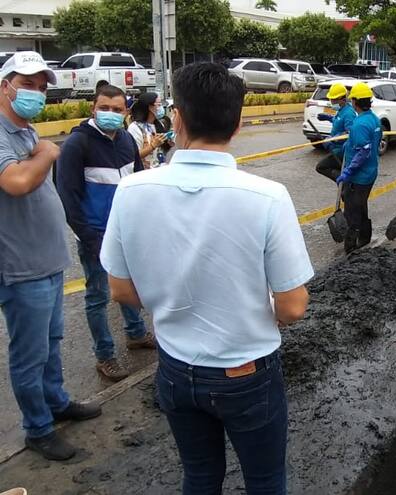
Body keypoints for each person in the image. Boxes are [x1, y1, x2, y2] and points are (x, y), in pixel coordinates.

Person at [101, 62, 313, 493]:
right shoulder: (267, 197)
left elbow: (121, 289)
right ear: (236, 124)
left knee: (199, 475)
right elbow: (292, 306)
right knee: (266, 479)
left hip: (176, 371)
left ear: (176, 118)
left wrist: (170, 297)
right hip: (246, 371)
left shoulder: (132, 191)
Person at [0, 51, 101, 461]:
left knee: (51, 342)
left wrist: (39, 148)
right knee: (30, 353)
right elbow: (18, 182)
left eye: (42, 87)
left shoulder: (25, 131)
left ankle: (56, 402)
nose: (37, 93)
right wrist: (47, 153)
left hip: (47, 260)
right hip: (21, 266)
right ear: (5, 85)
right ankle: (38, 429)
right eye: (27, 85)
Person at [55, 84, 155, 382]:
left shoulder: (124, 139)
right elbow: (68, 199)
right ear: (93, 109)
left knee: (129, 286)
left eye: (117, 109)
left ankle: (136, 333)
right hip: (95, 236)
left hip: (124, 232)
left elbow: (137, 183)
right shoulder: (76, 145)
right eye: (104, 108)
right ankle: (105, 355)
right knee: (98, 296)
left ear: (125, 112)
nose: (110, 114)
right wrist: (91, 239)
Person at [336, 82, 382, 253]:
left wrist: (348, 171)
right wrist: (348, 145)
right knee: (361, 205)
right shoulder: (373, 119)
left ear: (355, 101)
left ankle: (351, 247)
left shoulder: (360, 124)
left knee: (352, 210)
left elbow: (363, 152)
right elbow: (372, 144)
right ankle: (365, 238)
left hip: (359, 176)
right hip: (370, 172)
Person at [315, 83, 356, 182]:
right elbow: (338, 122)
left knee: (321, 167)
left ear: (342, 99)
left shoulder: (349, 113)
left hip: (342, 152)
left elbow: (350, 133)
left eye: (334, 100)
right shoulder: (341, 110)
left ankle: (344, 182)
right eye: (331, 99)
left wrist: (333, 140)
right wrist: (329, 118)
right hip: (336, 149)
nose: (332, 102)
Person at [127, 92, 167, 169]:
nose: (161, 108)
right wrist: (152, 146)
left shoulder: (159, 125)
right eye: (158, 105)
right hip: (142, 173)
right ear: (149, 107)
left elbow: (161, 151)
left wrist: (168, 143)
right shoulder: (135, 127)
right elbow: (134, 155)